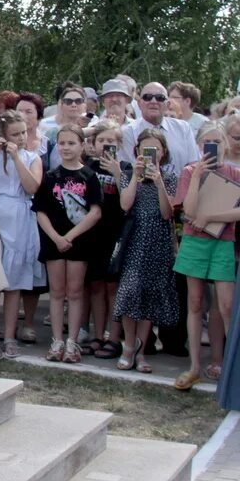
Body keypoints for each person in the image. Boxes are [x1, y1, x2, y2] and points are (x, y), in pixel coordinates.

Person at [172, 123, 240, 390]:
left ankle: (230, 366)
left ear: (225, 144)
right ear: (199, 146)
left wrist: (211, 216)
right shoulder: (190, 171)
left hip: (223, 242)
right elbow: (188, 209)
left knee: (226, 307)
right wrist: (198, 175)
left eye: (217, 142)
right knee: (196, 303)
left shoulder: (234, 172)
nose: (212, 147)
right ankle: (195, 367)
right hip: (194, 242)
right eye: (207, 143)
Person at [0, 110, 42, 359]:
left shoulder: (32, 158)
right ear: (3, 135)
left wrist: (16, 159)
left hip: (20, 219)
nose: (21, 138)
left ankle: (11, 335)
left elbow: (32, 187)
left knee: (14, 284)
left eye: (23, 132)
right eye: (15, 134)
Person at [32, 125, 103, 364]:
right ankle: (57, 340)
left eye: (71, 143)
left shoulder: (89, 176)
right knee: (57, 292)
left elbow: (94, 212)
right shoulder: (50, 176)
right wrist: (56, 237)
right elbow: (40, 212)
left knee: (74, 292)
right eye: (62, 143)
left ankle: (72, 341)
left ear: (82, 145)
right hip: (54, 242)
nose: (66, 148)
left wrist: (70, 237)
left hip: (79, 242)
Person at [114, 128, 179, 373]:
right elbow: (125, 204)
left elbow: (167, 213)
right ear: (137, 151)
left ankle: (141, 352)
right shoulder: (128, 174)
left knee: (150, 297)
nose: (151, 154)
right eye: (145, 149)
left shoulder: (170, 178)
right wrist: (136, 176)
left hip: (158, 242)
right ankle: (128, 346)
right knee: (130, 293)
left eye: (155, 150)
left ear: (163, 153)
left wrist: (159, 180)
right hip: (134, 239)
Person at [85, 120, 129, 361]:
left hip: (116, 234)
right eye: (101, 140)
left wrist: (118, 174)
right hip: (92, 233)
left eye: (111, 141)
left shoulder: (126, 168)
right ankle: (97, 334)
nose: (106, 145)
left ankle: (114, 337)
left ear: (119, 144)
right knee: (95, 286)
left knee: (113, 287)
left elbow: (128, 202)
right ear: (94, 143)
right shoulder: (88, 166)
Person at [121, 82, 199, 172]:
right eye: (147, 97)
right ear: (139, 104)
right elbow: (128, 171)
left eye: (160, 98)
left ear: (168, 104)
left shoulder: (183, 128)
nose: (153, 101)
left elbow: (193, 165)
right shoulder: (128, 132)